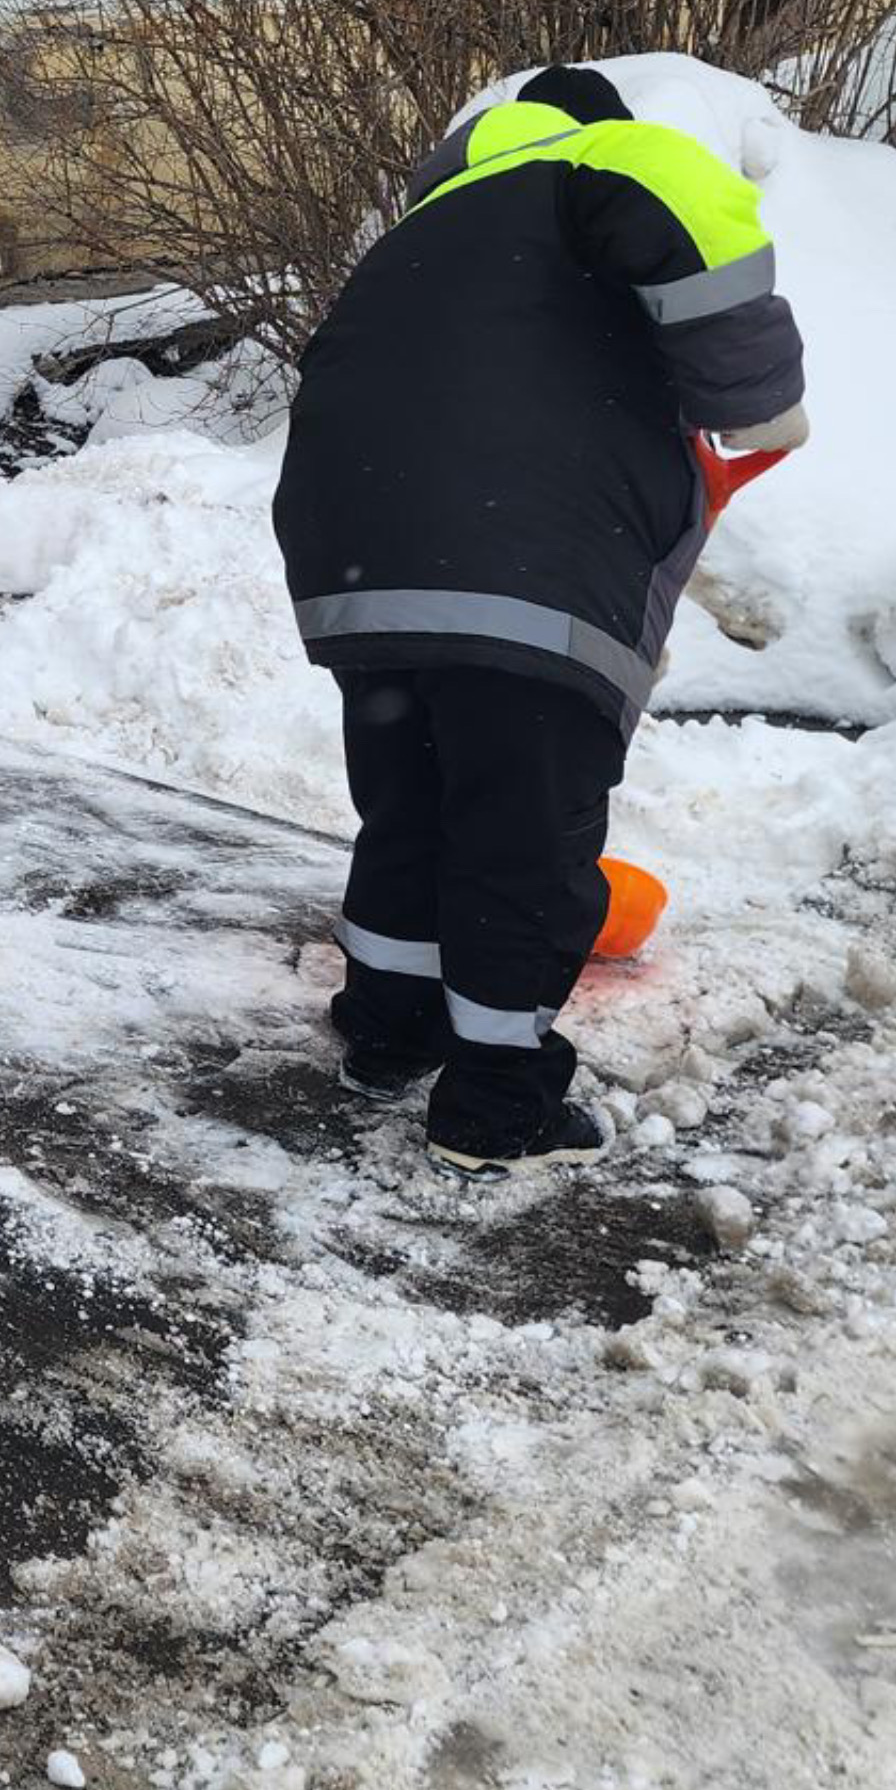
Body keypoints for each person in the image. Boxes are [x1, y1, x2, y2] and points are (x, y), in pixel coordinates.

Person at [271, 65, 812, 1180]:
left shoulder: (433, 224)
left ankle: (385, 1035)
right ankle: (495, 1107)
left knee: (410, 806)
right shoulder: (600, 159)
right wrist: (759, 402)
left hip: (358, 552)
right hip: (518, 556)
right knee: (523, 838)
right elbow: (691, 233)